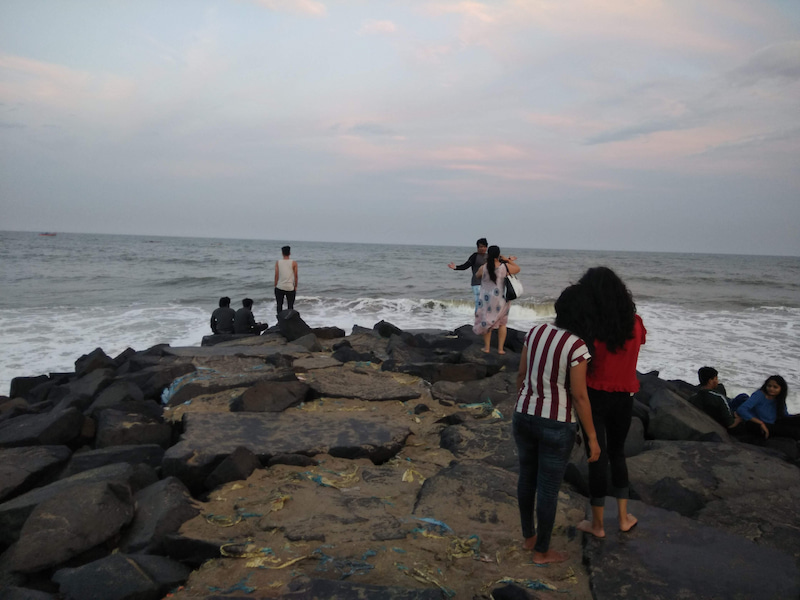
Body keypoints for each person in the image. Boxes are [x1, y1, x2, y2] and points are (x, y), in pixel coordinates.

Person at [513, 284, 601, 564]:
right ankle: (542, 551)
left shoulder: (536, 332)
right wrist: (592, 438)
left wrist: (524, 403)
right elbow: (579, 395)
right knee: (548, 488)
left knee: (526, 478)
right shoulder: (577, 346)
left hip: (523, 414)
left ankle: (529, 537)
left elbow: (522, 375)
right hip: (556, 423)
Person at [574, 267, 644, 539]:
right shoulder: (635, 323)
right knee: (617, 453)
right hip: (625, 396)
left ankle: (598, 524)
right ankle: (624, 518)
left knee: (596, 456)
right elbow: (638, 347)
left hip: (593, 396)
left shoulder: (590, 326)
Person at [472, 245, 519, 354]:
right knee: (502, 324)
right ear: (498, 254)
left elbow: (477, 276)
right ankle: (501, 349)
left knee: (487, 322)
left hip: (486, 300)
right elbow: (517, 269)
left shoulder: (484, 267)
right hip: (502, 300)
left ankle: (487, 348)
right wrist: (507, 260)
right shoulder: (504, 267)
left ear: (488, 254)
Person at [736, 375, 800, 440]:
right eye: (769, 386)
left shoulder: (779, 398)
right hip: (758, 424)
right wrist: (760, 423)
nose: (771, 389)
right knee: (795, 432)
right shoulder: (759, 395)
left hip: (775, 422)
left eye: (775, 387)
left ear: (781, 389)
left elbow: (785, 415)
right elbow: (741, 409)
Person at [448, 238, 489, 314]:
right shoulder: (474, 256)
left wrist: (508, 260)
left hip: (487, 284)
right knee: (479, 303)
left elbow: (498, 264)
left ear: (487, 247)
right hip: (477, 283)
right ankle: (477, 321)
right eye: (481, 247)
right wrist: (456, 267)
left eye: (484, 247)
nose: (482, 248)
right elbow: (466, 265)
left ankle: (484, 322)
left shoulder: (489, 256)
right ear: (477, 247)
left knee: (487, 304)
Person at [275, 245, 298, 314]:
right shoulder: (294, 263)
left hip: (280, 286)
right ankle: (289, 320)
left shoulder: (278, 262)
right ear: (290, 253)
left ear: (282, 253)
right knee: (290, 306)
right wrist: (295, 286)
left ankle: (279, 320)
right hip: (290, 287)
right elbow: (296, 275)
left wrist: (275, 285)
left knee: (279, 305)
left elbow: (276, 275)